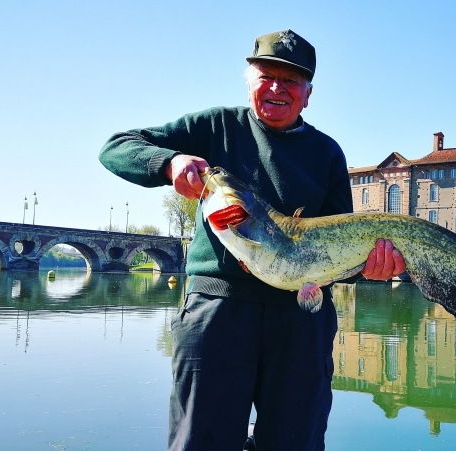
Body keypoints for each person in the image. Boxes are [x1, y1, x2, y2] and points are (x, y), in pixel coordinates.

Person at [99, 30, 405, 451]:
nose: (277, 88)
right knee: (200, 441)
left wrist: (368, 267)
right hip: (217, 311)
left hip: (301, 320)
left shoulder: (328, 153)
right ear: (249, 80)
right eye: (267, 75)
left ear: (308, 94)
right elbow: (116, 148)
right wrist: (169, 162)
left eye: (291, 80)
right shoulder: (214, 127)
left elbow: (337, 258)